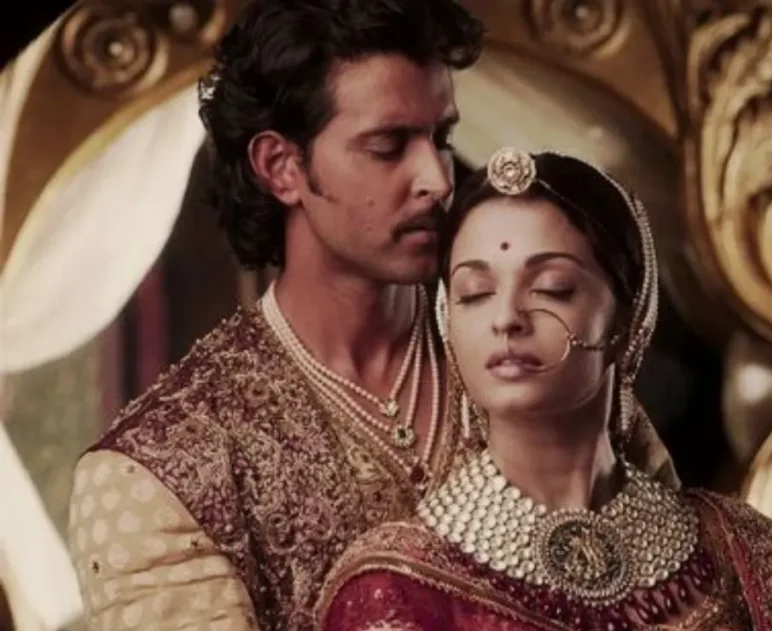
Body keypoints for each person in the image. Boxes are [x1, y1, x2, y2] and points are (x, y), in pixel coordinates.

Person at [65, 2, 676, 630]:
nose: (437, 179)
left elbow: (677, 586)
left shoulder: (537, 353)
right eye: (388, 147)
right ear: (281, 167)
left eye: (441, 139)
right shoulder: (160, 470)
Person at [318, 148, 772, 631]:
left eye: (552, 288)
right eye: (476, 293)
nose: (506, 319)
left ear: (625, 317)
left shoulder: (743, 550)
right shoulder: (395, 588)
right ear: (447, 320)